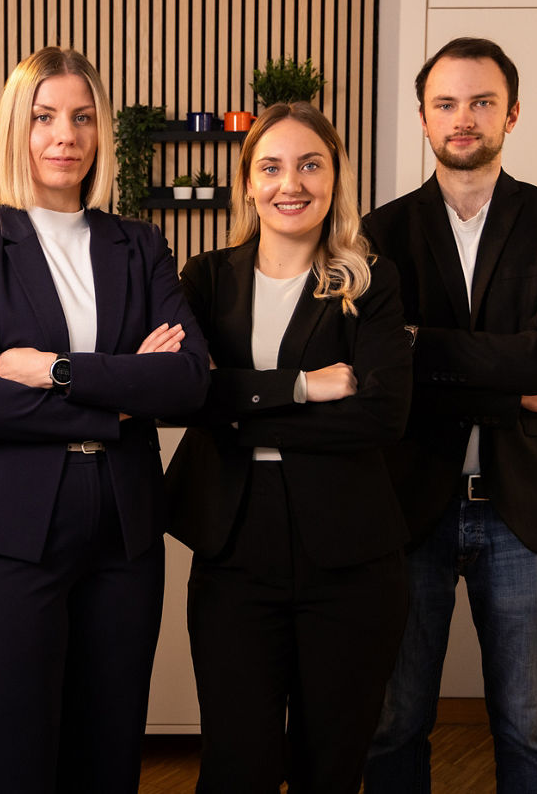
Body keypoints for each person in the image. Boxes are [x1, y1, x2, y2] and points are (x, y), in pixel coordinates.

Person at [0, 46, 209, 794]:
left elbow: (186, 381)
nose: (65, 135)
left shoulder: (139, 244)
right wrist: (124, 396)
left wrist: (58, 371)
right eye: (45, 117)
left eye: (83, 118)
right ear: (17, 129)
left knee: (108, 758)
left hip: (122, 534)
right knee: (9, 762)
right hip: (3, 537)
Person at [363, 37, 537, 792]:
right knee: (395, 721)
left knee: (527, 729)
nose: (463, 118)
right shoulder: (380, 233)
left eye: (481, 102)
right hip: (409, 505)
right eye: (446, 104)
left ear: (512, 112)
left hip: (521, 509)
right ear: (424, 120)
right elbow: (382, 373)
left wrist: (421, 343)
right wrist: (503, 378)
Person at [163, 102, 412, 792]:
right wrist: (301, 387)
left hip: (351, 556)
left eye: (310, 164)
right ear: (247, 182)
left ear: (335, 178)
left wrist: (239, 408)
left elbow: (383, 416)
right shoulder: (206, 279)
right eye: (270, 167)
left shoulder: (372, 282)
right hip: (236, 548)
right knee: (236, 764)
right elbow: (185, 396)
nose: (290, 184)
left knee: (328, 767)